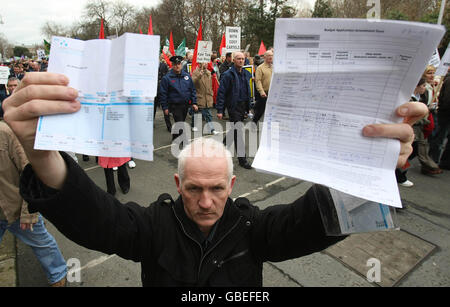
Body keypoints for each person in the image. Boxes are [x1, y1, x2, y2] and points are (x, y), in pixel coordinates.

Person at [2, 72, 425, 286]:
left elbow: (311, 223)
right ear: (177, 183)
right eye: (195, 189)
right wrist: (42, 156)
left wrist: (373, 165)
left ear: (232, 187)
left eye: (217, 188)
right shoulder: (153, 227)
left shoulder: (253, 229)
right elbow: (99, 220)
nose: (206, 202)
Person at [0, 119, 67, 287]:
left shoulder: (5, 133)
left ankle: (58, 276)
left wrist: (28, 213)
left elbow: (30, 172)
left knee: (42, 242)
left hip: (15, 208)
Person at [216, 52, 253, 169]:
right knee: (238, 131)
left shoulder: (246, 74)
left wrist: (249, 107)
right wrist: (220, 110)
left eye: (242, 59)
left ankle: (221, 149)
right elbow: (221, 93)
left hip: (243, 106)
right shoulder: (228, 75)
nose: (241, 61)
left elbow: (248, 91)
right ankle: (242, 160)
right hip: (233, 107)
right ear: (234, 60)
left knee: (234, 130)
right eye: (238, 59)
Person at [159, 56, 198, 141]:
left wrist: (194, 102)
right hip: (174, 105)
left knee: (180, 122)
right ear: (172, 65)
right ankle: (183, 141)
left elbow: (192, 90)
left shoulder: (186, 76)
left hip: (185, 104)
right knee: (180, 123)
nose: (177, 66)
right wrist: (165, 107)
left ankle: (175, 137)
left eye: (179, 64)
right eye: (175, 64)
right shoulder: (167, 78)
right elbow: (163, 94)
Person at [410, 78, 442, 175]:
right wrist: (424, 119)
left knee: (418, 147)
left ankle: (428, 166)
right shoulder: (411, 98)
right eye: (423, 86)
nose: (425, 88)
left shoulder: (421, 96)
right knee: (414, 148)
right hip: (414, 127)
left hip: (420, 128)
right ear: (417, 86)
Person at [429, 70, 450, 169]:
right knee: (440, 137)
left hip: (445, 112)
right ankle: (432, 161)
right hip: (446, 114)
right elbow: (447, 99)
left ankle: (445, 162)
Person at [191, 63, 219, 135]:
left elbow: (210, 85)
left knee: (208, 114)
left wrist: (211, 93)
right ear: (199, 63)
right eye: (204, 63)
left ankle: (211, 129)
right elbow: (193, 83)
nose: (206, 64)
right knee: (196, 112)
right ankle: (193, 125)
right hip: (199, 96)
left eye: (207, 63)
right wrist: (199, 75)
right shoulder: (195, 72)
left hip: (207, 97)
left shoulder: (208, 72)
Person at [253, 50, 273, 126]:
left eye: (272, 55)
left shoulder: (274, 67)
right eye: (268, 55)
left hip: (272, 93)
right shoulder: (260, 68)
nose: (270, 57)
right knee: (260, 111)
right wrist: (261, 92)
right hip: (264, 93)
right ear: (264, 57)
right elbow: (258, 81)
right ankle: (254, 122)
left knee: (272, 110)